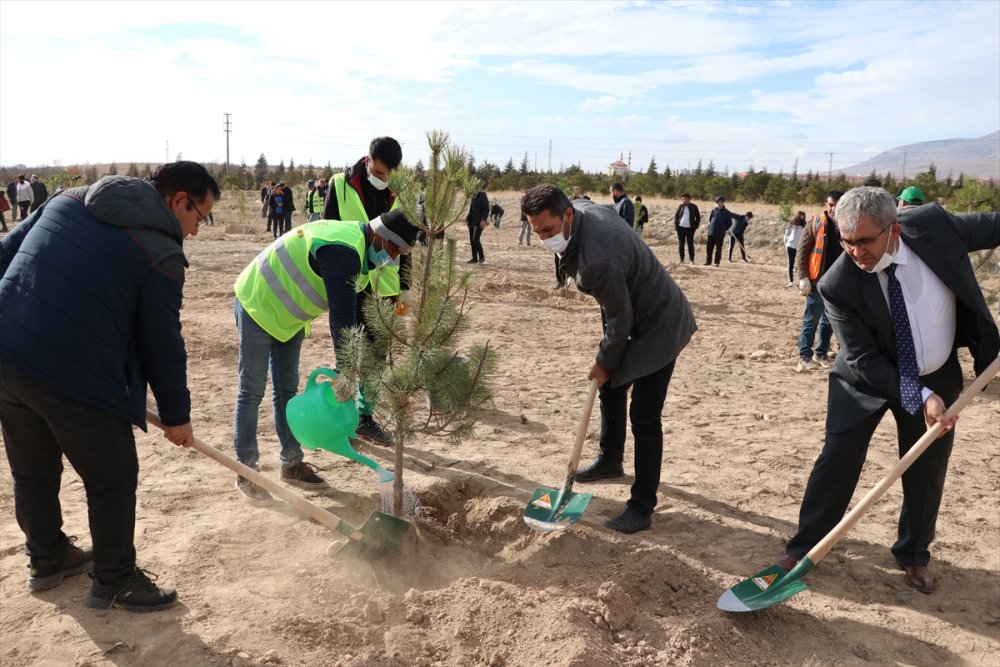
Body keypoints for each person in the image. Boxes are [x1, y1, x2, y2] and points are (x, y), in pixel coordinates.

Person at [0, 161, 220, 612]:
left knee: (33, 469)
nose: (197, 230)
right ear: (179, 199)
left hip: (6, 354)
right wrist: (177, 416)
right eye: (201, 216)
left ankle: (48, 558)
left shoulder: (67, 199)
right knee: (113, 476)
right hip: (73, 371)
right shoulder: (160, 254)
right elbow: (161, 344)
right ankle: (114, 581)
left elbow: (5, 254)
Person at [774, 187, 999, 595]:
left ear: (893, 229)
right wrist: (921, 396)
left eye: (864, 241)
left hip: (937, 374)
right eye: (847, 241)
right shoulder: (837, 283)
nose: (855, 252)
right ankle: (805, 547)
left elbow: (993, 226)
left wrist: (931, 391)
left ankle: (913, 553)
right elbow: (863, 358)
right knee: (838, 458)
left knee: (927, 468)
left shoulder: (933, 226)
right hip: (864, 381)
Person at [523, 184, 697, 533]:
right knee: (611, 384)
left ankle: (641, 507)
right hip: (635, 312)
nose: (543, 238)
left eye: (548, 230)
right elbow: (618, 313)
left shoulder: (597, 260)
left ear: (567, 215)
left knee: (644, 414)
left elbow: (620, 319)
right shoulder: (583, 210)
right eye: (536, 231)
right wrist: (607, 363)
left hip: (661, 324)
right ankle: (610, 460)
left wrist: (604, 360)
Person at [231, 211, 419, 503]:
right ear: (380, 237)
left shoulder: (362, 256)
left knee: (287, 391)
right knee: (252, 391)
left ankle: (291, 465)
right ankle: (247, 472)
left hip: (289, 317)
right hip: (259, 302)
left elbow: (360, 315)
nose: (393, 258)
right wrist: (346, 372)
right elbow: (342, 319)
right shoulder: (344, 250)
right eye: (394, 249)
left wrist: (376, 354)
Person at [795, 190, 844, 372]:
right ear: (826, 205)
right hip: (816, 282)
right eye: (831, 205)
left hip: (837, 283)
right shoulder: (815, 224)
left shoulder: (848, 225)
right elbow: (802, 252)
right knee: (811, 320)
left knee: (829, 321)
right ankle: (805, 356)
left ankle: (821, 352)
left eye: (837, 205)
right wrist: (803, 277)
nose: (833, 209)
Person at [705, 196, 733, 266]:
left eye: (720, 202)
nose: (719, 204)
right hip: (711, 232)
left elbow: (729, 223)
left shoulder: (727, 212)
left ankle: (717, 262)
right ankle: (708, 261)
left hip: (720, 234)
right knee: (709, 248)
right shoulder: (713, 211)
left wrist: (723, 229)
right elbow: (711, 219)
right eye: (717, 202)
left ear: (723, 203)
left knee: (718, 248)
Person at [674, 193, 700, 264]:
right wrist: (676, 226)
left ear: (688, 199)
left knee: (690, 244)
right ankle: (682, 259)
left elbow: (698, 217)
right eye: (682, 199)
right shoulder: (680, 206)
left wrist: (695, 226)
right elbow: (676, 216)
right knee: (681, 244)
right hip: (680, 228)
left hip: (690, 229)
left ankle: (692, 260)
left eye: (684, 199)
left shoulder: (694, 207)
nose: (683, 200)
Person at [783, 211, 807, 287]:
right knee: (790, 264)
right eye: (801, 215)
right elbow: (786, 234)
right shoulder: (792, 225)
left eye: (803, 216)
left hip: (800, 248)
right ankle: (790, 281)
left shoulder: (805, 226)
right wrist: (787, 242)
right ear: (798, 216)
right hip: (790, 246)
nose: (802, 217)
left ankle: (801, 281)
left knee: (800, 264)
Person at [467, 189, 489, 264]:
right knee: (472, 240)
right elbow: (471, 209)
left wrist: (483, 220)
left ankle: (481, 257)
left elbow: (486, 209)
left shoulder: (483, 196)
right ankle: (474, 258)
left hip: (479, 222)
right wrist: (468, 218)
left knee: (475, 239)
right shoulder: (473, 197)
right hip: (472, 221)